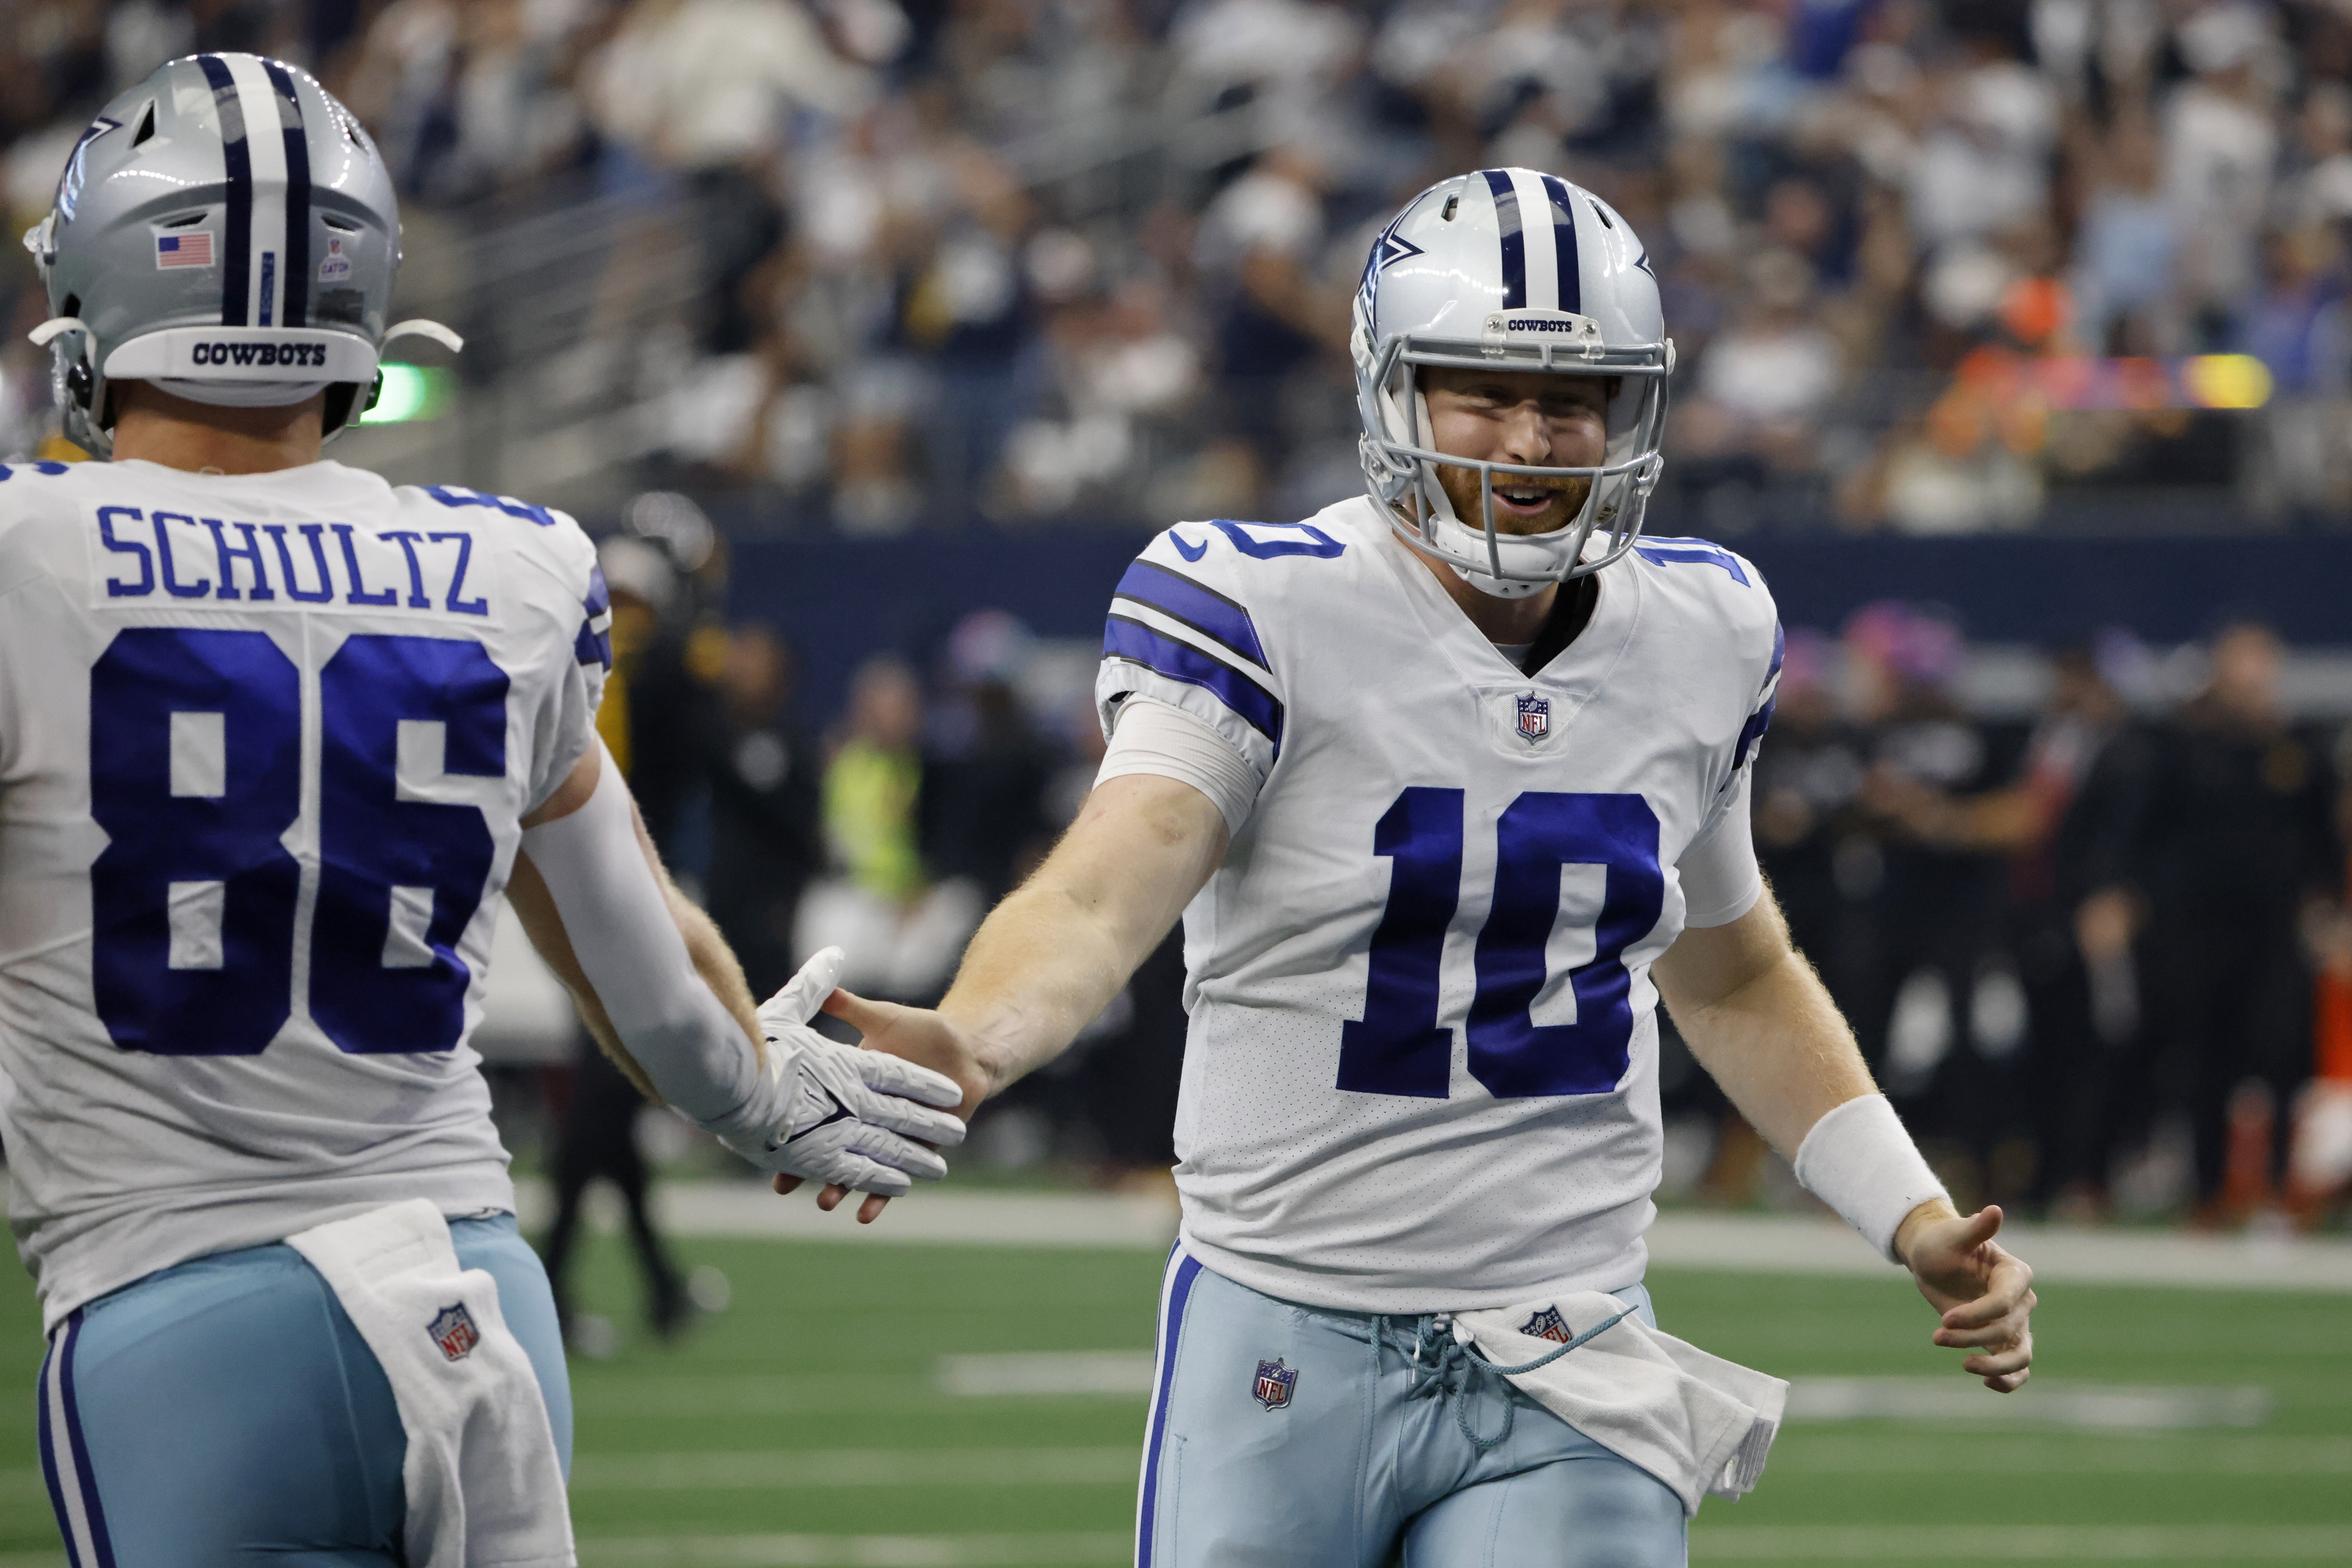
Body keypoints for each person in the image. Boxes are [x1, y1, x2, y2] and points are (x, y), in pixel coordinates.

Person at [828, 168, 2038, 1566]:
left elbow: (1731, 965)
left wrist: (1911, 1212)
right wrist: (974, 1039)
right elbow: (1107, 888)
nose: (1531, 437)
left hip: (1567, 1337)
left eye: (1573, 398)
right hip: (1286, 1328)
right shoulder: (1263, 603)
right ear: (1389, 391)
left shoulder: (1705, 627)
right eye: (1481, 389)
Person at [0, 54, 961, 1565]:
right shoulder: (509, 569)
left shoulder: (24, 552)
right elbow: (651, 980)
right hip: (476, 1296)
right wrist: (761, 1093)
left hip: (176, 1308)